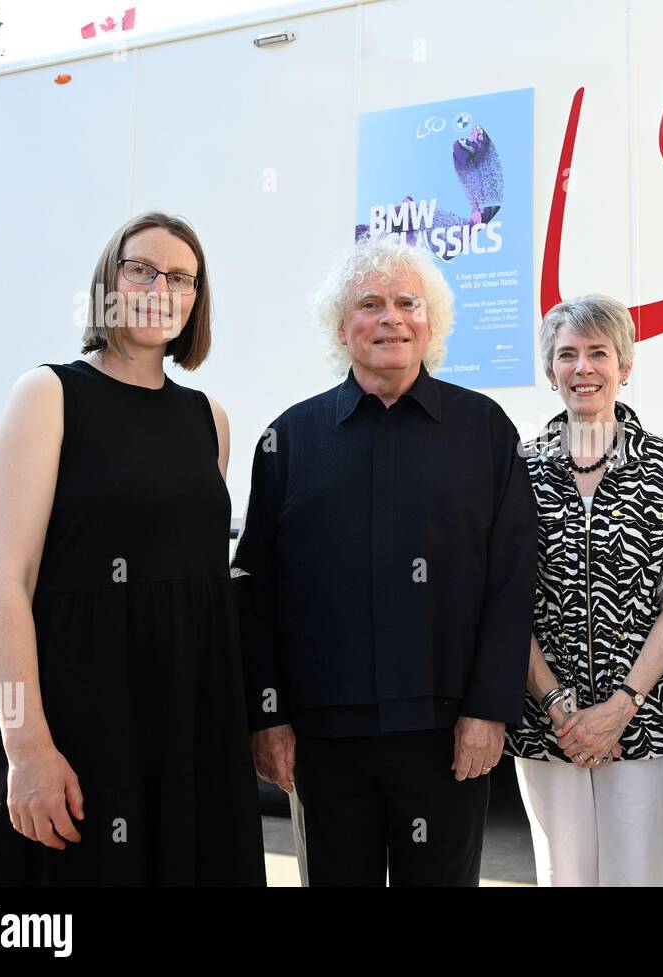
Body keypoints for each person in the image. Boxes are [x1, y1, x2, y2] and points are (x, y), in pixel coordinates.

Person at [0, 212, 266, 885]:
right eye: (141, 268)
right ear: (109, 281)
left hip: (191, 722)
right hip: (82, 718)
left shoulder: (208, 418)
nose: (161, 285)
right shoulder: (49, 394)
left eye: (181, 277)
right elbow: (4, 584)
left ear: (196, 301)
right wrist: (27, 746)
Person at [232, 238, 536, 886]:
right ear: (342, 328)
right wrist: (268, 716)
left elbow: (511, 581)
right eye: (370, 304)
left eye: (407, 302)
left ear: (433, 323)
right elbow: (254, 589)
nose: (391, 317)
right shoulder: (289, 439)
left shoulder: (484, 430)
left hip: (448, 737)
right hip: (324, 741)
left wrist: (489, 709)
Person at [504, 294, 663, 886]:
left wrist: (623, 703)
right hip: (549, 717)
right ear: (551, 372)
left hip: (646, 713)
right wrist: (556, 704)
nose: (583, 368)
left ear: (625, 365)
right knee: (562, 875)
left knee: (638, 875)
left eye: (599, 352)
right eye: (567, 355)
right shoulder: (519, 466)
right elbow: (505, 598)